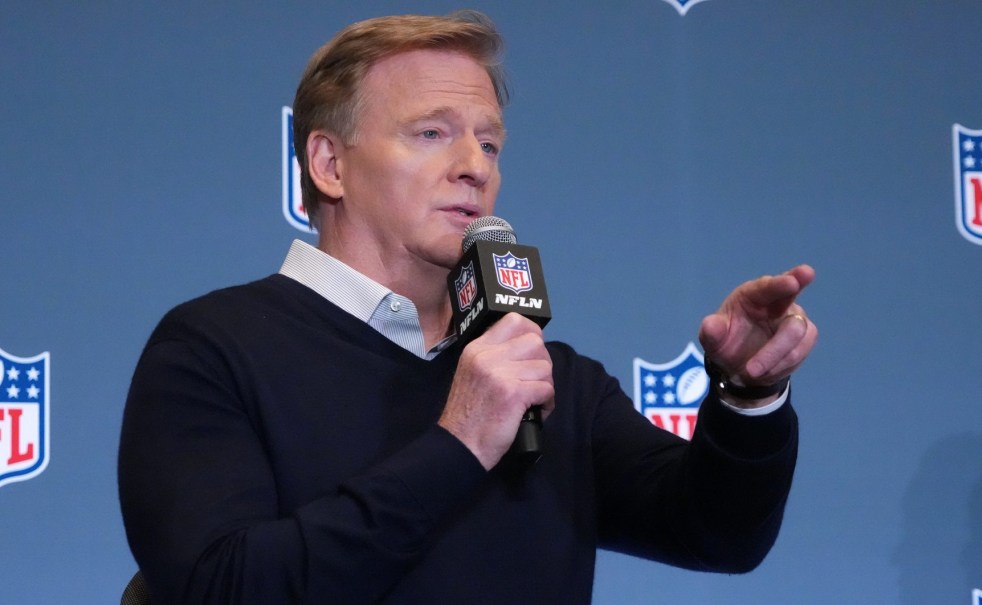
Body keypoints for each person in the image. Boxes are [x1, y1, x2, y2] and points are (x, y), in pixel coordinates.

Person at [118, 10, 818, 605]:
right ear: (329, 164)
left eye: (488, 142)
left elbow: (719, 534)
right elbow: (219, 586)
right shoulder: (213, 350)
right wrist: (458, 444)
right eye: (431, 133)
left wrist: (748, 397)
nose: (475, 167)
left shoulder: (546, 378)